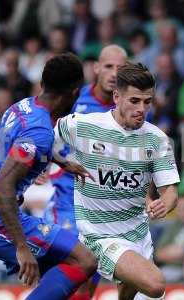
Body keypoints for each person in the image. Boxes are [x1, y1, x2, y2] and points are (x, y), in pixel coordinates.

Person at [0, 53, 98, 300]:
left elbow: (13, 150)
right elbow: (3, 187)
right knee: (85, 261)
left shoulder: (24, 106)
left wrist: (60, 161)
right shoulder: (39, 131)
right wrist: (22, 248)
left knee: (65, 273)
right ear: (73, 92)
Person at [54, 62, 180, 299]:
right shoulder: (83, 125)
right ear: (117, 97)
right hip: (98, 235)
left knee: (149, 293)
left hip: (139, 237)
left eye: (147, 102)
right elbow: (40, 130)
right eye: (134, 101)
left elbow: (171, 191)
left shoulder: (157, 139)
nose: (142, 109)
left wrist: (165, 202)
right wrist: (50, 164)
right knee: (155, 283)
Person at [43, 44, 127, 299]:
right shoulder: (73, 101)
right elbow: (44, 132)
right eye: (109, 66)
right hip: (68, 200)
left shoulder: (130, 109)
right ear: (96, 68)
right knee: (73, 272)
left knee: (87, 284)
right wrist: (39, 162)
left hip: (103, 208)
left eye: (120, 68)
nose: (114, 73)